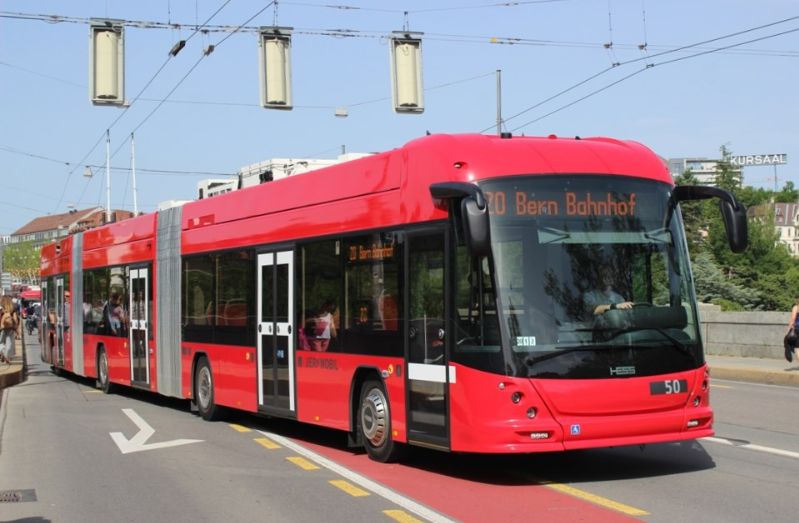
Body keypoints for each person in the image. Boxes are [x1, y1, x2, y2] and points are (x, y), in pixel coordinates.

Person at [0, 296, 19, 363]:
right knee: (9, 344)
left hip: (2, 329)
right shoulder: (13, 310)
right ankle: (6, 355)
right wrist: (17, 330)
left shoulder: (1, 309)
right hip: (11, 329)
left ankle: (3, 353)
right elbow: (16, 321)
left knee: (1, 343)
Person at [785, 295, 799, 362]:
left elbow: (793, 319)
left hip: (797, 328)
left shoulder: (796, 307)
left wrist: (788, 330)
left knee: (797, 348)